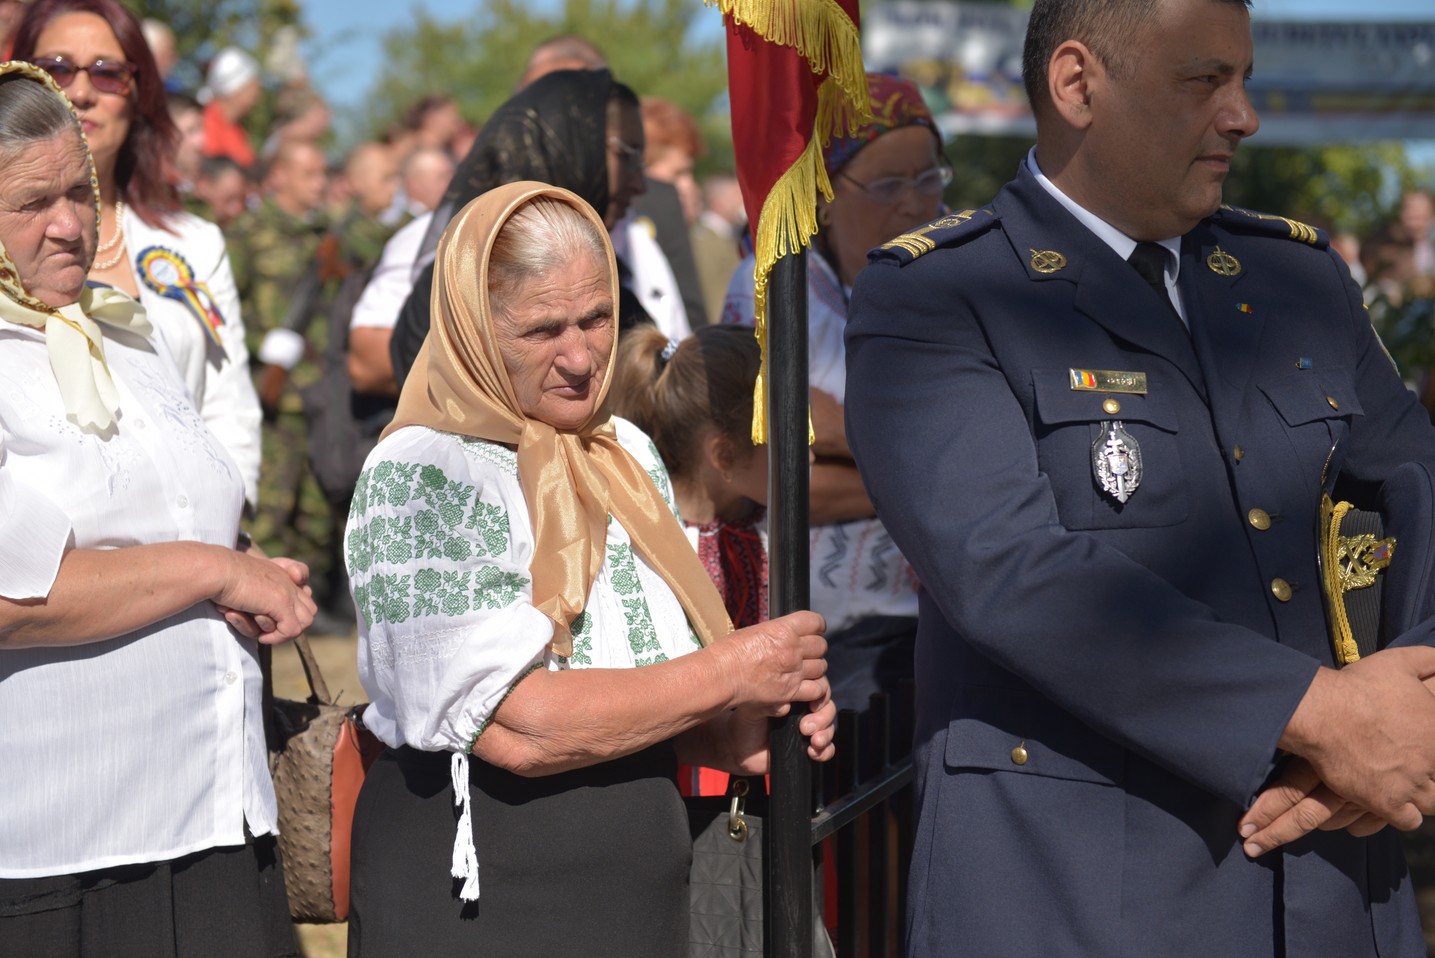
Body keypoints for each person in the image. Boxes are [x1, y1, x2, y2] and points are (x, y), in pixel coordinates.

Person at [843, 1, 1435, 955]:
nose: (1242, 116)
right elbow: (1010, 570)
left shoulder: (1296, 280)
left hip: (1334, 882)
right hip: (1084, 895)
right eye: (1204, 81)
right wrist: (1321, 716)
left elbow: (1418, 491)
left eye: (1242, 81)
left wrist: (1412, 713)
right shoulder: (937, 295)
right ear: (1078, 85)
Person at [344, 181, 835, 956]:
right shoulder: (426, 471)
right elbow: (516, 725)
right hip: (484, 893)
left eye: (597, 318)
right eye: (542, 329)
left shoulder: (623, 450)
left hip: (632, 890)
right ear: (472, 327)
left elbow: (630, 684)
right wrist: (730, 673)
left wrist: (728, 733)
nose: (579, 358)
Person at [0, 60, 314, 958]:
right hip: (66, 847)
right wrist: (211, 570)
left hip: (218, 813)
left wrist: (248, 570)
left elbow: (177, 517)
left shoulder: (125, 336)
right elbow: (13, 597)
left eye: (78, 192)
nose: (69, 225)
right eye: (32, 203)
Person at [724, 72, 946, 708]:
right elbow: (771, 479)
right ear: (825, 197)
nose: (915, 204)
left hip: (937, 625)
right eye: (887, 184)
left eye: (929, 177)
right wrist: (933, 471)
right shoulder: (774, 284)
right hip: (822, 637)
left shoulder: (957, 281)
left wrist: (838, 435)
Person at [14, 0, 264, 508]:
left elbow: (228, 407)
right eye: (56, 69)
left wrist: (230, 531)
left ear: (139, 94)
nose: (81, 92)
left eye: (108, 74)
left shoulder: (194, 244)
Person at [386, 67, 651, 389]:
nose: (639, 184)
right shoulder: (452, 297)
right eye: (626, 154)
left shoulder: (612, 281)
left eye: (594, 320)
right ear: (566, 149)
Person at [612, 324, 768, 628]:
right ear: (725, 455)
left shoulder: (770, 523)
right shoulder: (656, 554)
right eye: (784, 441)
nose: (809, 457)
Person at [201, 46, 261, 168]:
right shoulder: (204, 123)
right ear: (236, 88)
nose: (257, 95)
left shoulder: (236, 129)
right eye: (253, 87)